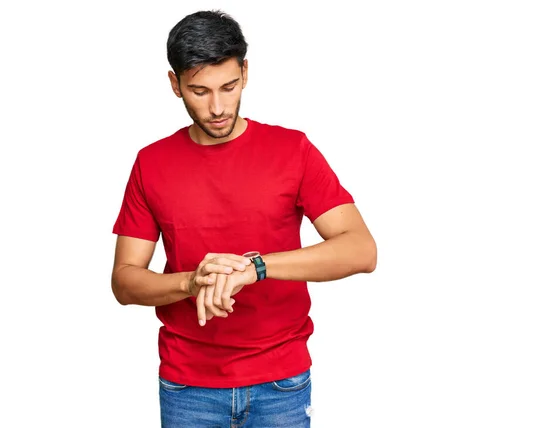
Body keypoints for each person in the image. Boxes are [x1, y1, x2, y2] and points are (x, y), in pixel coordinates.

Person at [111, 9, 377, 427]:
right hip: (187, 387)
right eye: (199, 91)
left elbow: (361, 250)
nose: (217, 107)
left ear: (246, 73)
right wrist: (189, 281)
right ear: (174, 84)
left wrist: (256, 268)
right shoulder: (151, 163)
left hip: (281, 383)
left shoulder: (293, 150)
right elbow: (124, 282)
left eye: (229, 87)